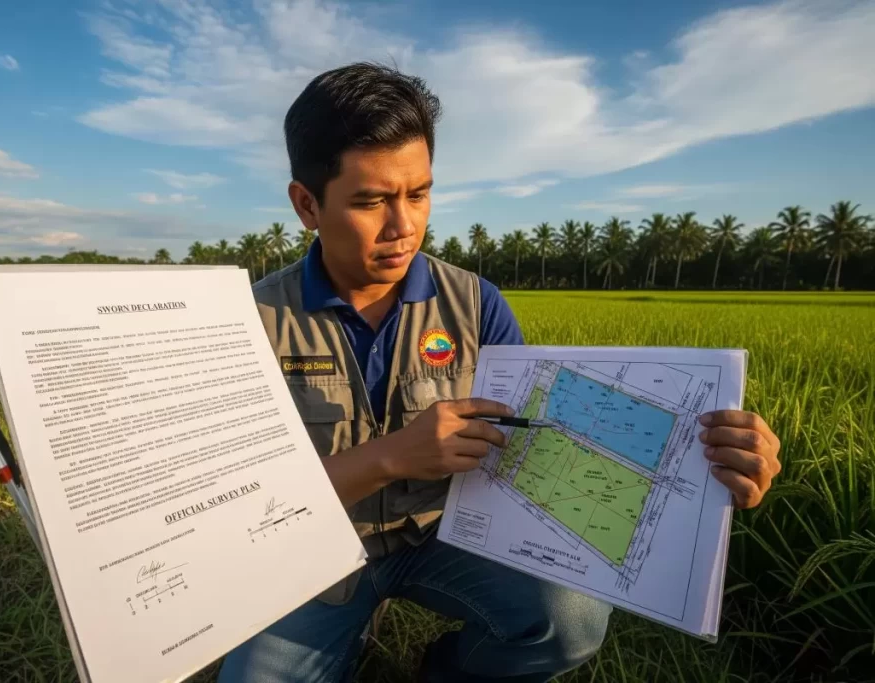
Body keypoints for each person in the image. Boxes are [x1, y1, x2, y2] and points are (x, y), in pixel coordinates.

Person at [218, 63, 782, 683]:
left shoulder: (475, 304)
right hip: (312, 558)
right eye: (371, 200)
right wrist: (390, 457)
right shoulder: (252, 322)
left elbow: (539, 446)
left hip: (444, 536)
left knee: (569, 620)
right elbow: (239, 505)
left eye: (418, 193)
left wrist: (707, 474)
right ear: (306, 204)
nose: (403, 226)